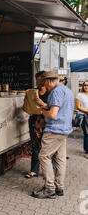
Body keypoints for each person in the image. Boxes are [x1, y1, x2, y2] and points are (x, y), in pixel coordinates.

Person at [31, 71, 74, 199]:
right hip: (64, 129)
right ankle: (59, 187)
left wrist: (42, 111)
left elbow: (53, 114)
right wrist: (45, 105)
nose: (43, 87)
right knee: (60, 159)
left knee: (44, 156)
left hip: (54, 130)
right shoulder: (66, 90)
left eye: (44, 84)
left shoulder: (55, 91)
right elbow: (60, 109)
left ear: (49, 81)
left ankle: (49, 188)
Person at [23, 71, 48, 178]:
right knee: (35, 145)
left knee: (47, 147)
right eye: (37, 79)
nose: (39, 82)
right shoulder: (32, 92)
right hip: (34, 121)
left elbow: (55, 108)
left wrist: (42, 104)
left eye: (41, 79)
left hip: (47, 122)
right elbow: (25, 108)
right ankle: (34, 170)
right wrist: (27, 103)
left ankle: (50, 171)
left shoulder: (52, 92)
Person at [75, 80, 88, 158]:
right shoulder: (80, 95)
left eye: (87, 85)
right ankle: (87, 151)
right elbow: (78, 107)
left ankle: (86, 148)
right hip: (84, 116)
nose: (86, 86)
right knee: (87, 133)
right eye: (85, 85)